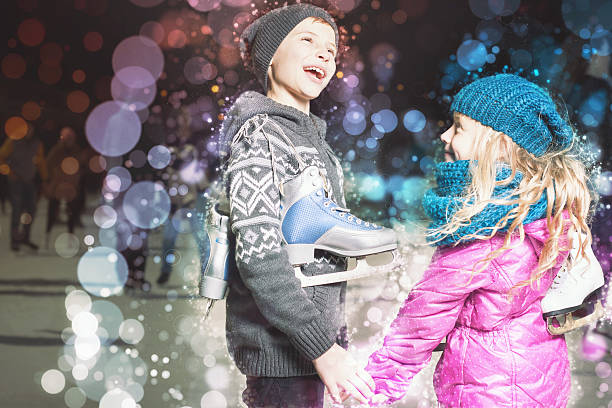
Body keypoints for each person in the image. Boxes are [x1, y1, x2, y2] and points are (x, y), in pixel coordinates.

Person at [363, 74, 594, 407]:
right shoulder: (550, 211)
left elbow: (421, 321)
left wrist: (375, 387)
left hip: (485, 392)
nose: (444, 135)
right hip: (544, 385)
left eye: (458, 128)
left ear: (499, 144)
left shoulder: (479, 230)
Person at [217, 4, 377, 407]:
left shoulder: (317, 144)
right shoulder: (261, 137)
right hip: (281, 360)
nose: (324, 53)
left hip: (312, 352)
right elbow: (260, 257)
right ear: (271, 57)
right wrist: (321, 348)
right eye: (307, 40)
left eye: (331, 48)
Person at [0, 122, 48, 251]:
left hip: (29, 181)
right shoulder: (13, 142)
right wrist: (9, 172)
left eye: (31, 129)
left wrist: (44, 178)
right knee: (17, 210)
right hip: (16, 181)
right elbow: (1, 157)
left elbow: (41, 161)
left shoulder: (36, 143)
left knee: (31, 209)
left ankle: (25, 237)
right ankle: (15, 240)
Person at [44, 126, 85, 242]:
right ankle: (47, 235)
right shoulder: (57, 150)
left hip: (71, 187)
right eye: (67, 138)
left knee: (71, 212)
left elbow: (81, 166)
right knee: (52, 210)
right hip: (57, 186)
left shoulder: (77, 151)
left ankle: (71, 237)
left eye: (71, 138)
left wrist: (75, 178)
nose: (69, 141)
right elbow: (49, 164)